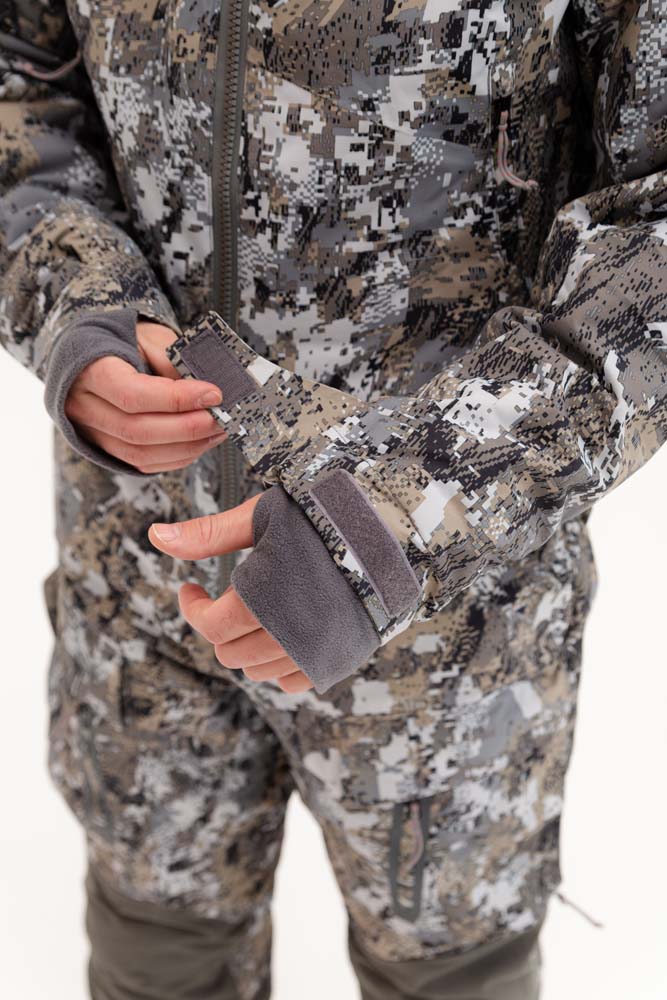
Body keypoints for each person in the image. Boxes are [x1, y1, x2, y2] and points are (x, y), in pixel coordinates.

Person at [1, 0, 665, 997]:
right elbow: (20, 74)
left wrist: (400, 511)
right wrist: (76, 305)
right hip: (141, 583)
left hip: (447, 635)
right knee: (155, 957)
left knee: (451, 975)